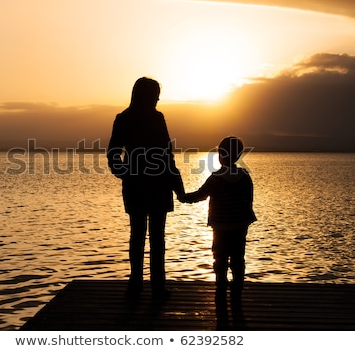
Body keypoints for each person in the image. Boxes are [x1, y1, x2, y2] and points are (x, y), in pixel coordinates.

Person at [107, 77, 184, 301]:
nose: (158, 98)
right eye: (155, 94)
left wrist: (123, 171)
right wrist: (122, 171)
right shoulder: (149, 118)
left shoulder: (126, 118)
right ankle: (152, 286)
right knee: (151, 237)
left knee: (140, 235)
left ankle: (140, 284)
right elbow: (165, 153)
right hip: (152, 183)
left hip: (143, 183)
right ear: (147, 95)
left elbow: (114, 152)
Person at [179, 136, 256, 301]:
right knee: (238, 256)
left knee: (219, 255)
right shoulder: (244, 177)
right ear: (238, 156)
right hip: (239, 224)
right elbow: (249, 200)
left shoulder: (216, 178)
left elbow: (200, 195)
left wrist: (183, 197)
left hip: (220, 225)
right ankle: (238, 284)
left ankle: (221, 280)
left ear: (221, 155)